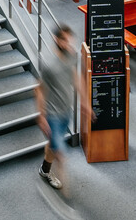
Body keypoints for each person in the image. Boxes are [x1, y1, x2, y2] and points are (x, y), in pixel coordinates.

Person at [36, 24, 88, 197]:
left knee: (53, 145)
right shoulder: (49, 64)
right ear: (57, 40)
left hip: (66, 110)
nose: (68, 44)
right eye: (65, 40)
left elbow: (76, 78)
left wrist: (85, 102)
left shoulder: (72, 56)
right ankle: (64, 199)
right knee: (60, 153)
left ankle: (44, 169)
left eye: (70, 40)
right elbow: (39, 90)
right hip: (52, 114)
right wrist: (42, 116)